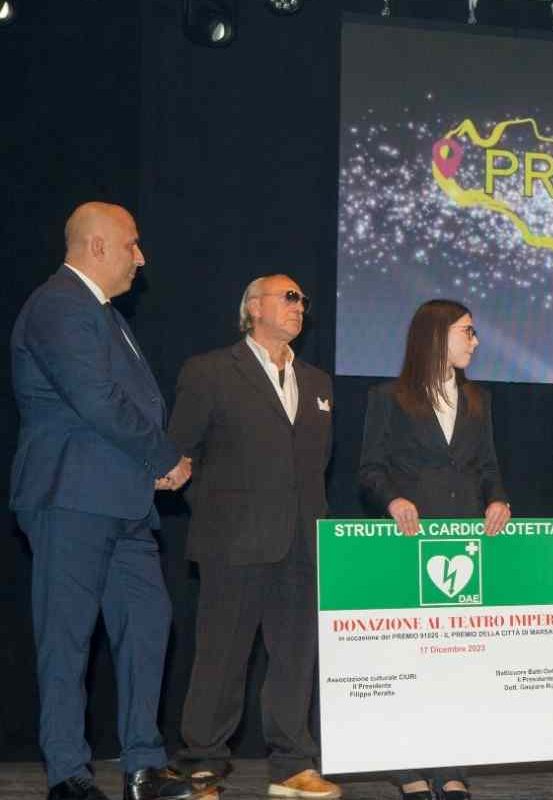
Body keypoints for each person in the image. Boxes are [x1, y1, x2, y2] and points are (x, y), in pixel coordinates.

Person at [10, 202, 198, 800]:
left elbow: (122, 405)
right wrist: (163, 456)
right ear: (96, 247)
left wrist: (149, 468)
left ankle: (143, 767)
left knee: (148, 624)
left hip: (123, 502)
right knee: (67, 638)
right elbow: (96, 400)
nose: (140, 258)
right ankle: (68, 773)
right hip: (70, 498)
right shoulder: (58, 304)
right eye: (132, 245)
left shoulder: (103, 313)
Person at [166, 275, 338, 798]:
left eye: (303, 300)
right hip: (233, 542)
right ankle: (202, 762)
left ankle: (292, 765)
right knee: (222, 656)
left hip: (302, 543)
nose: (299, 306)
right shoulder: (211, 371)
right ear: (254, 308)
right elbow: (180, 454)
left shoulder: (317, 382)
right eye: (289, 297)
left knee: (295, 659)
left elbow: (315, 468)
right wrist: (221, 515)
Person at [357, 299, 511, 800]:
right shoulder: (388, 397)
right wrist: (392, 499)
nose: (476, 341)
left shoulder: (479, 398)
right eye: (468, 331)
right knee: (408, 660)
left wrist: (498, 500)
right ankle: (408, 767)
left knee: (458, 661)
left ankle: (452, 766)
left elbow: (488, 467)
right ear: (437, 336)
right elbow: (370, 470)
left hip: (466, 547)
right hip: (409, 544)